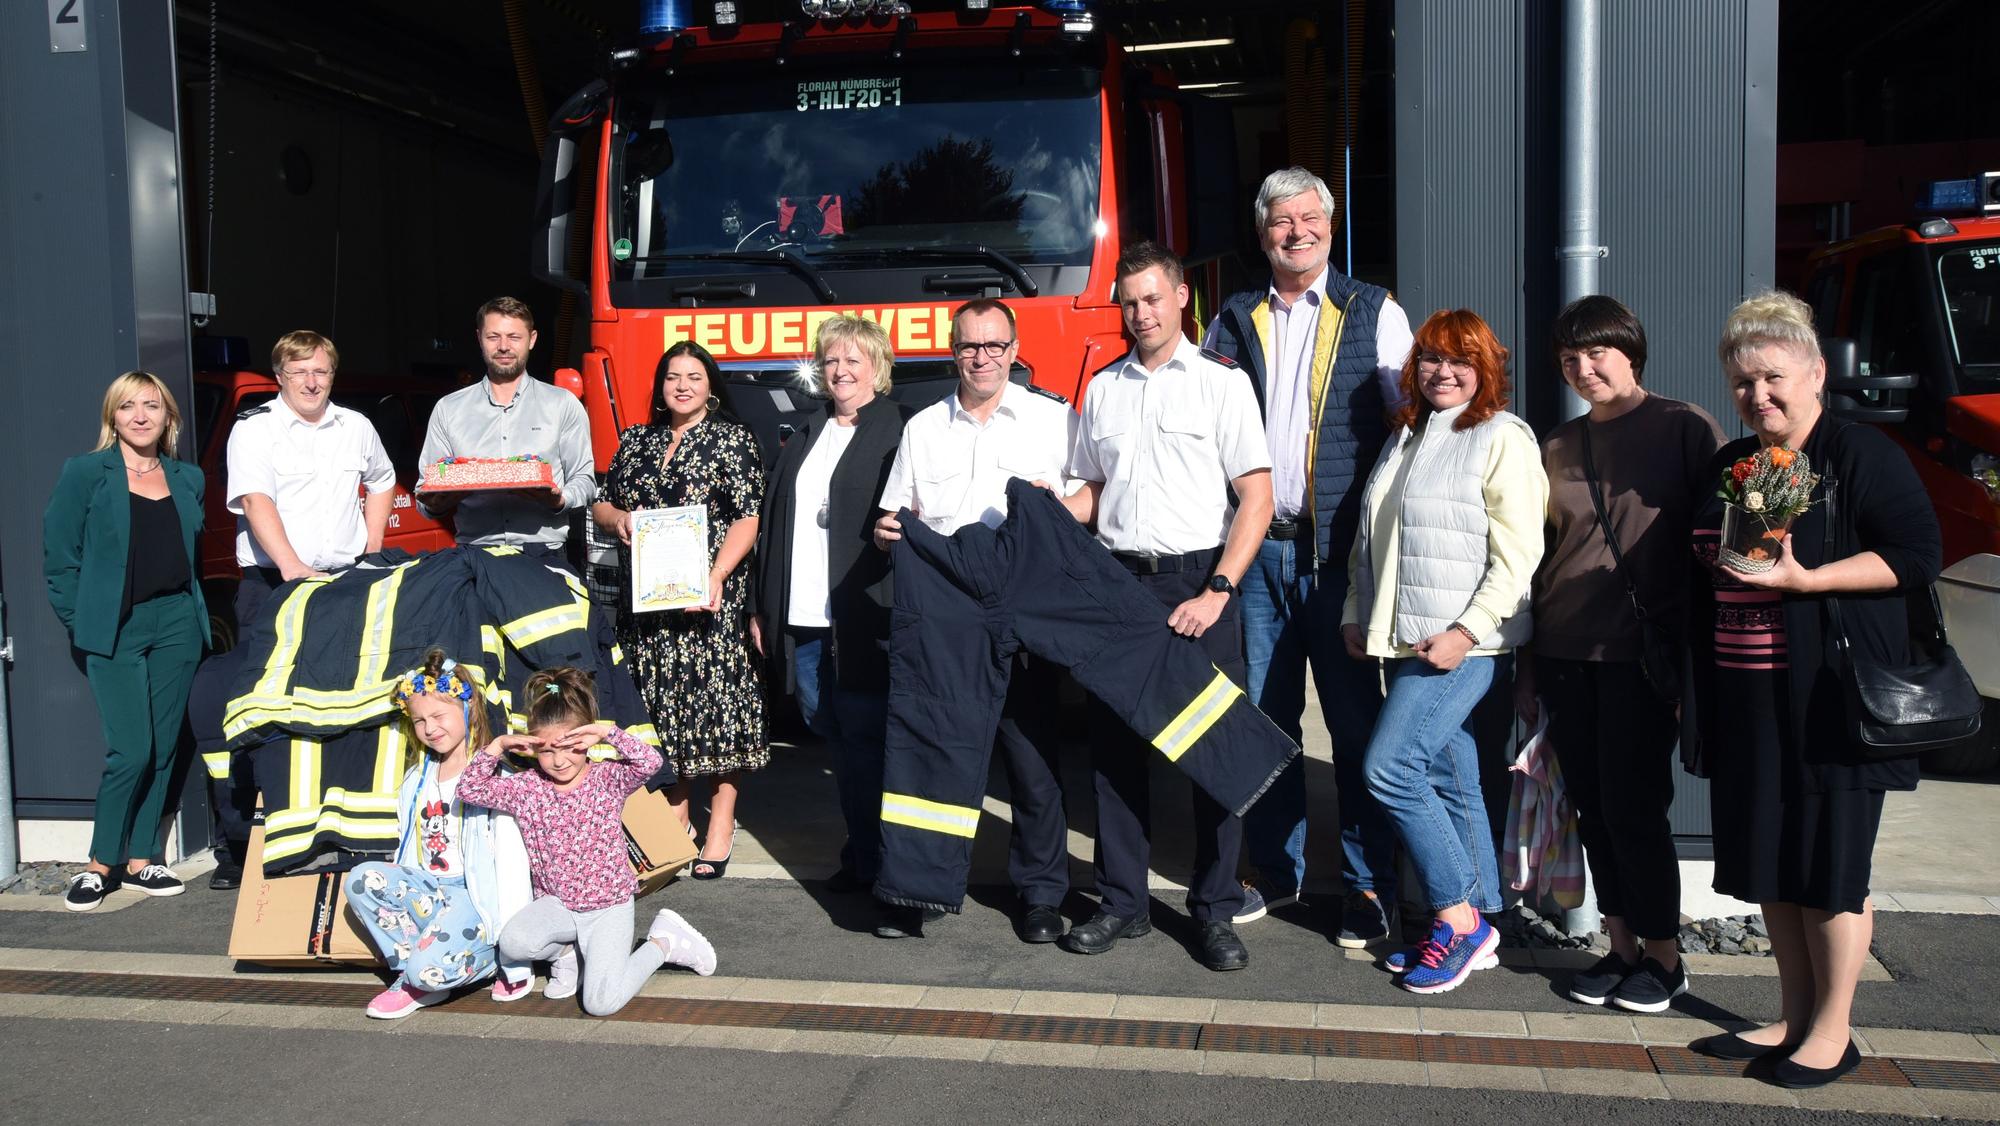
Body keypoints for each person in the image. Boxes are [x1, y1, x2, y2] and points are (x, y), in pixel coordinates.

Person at [1686, 291, 1940, 1089]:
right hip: (1747, 699)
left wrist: (1810, 579)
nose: (1757, 395)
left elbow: (1916, 553)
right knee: (1772, 865)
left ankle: (1834, 1031)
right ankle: (1794, 1017)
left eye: (1771, 377)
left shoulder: (1858, 454)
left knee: (1831, 872)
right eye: (1741, 382)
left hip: (1831, 701)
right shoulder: (1736, 463)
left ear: (1817, 373)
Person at [1202, 167, 1413, 939]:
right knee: (1263, 721)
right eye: (1280, 222)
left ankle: (1367, 885)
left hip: (1340, 561)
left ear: (1330, 224)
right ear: (1263, 235)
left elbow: (1411, 426)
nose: (1296, 232)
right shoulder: (1229, 320)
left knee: (1358, 728)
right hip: (1257, 556)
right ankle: (1271, 870)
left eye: (1309, 218)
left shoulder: (1375, 312)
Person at [1056, 241, 1273, 971]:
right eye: (1129, 301)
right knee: (1116, 756)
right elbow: (1091, 492)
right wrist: (1043, 515)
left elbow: (1257, 497)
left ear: (1182, 298)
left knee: (1214, 755)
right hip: (1122, 590)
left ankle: (1214, 911)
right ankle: (1123, 904)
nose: (1141, 313)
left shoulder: (1221, 383)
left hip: (1197, 584)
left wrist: (1219, 590)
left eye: (1153, 298)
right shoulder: (1105, 388)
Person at [1516, 296, 1724, 1012]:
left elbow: (1717, 544)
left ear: (1631, 351)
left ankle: (1666, 959)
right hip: (1566, 646)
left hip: (1641, 653)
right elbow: (1538, 556)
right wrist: (1530, 667)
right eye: (1571, 357)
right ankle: (1622, 947)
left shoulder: (1684, 427)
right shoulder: (1557, 445)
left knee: (1637, 806)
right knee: (1594, 807)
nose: (1585, 367)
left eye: (1598, 351)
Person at [1342, 309, 1546, 995]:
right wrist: (1355, 612)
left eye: (1461, 359)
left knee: (1390, 768)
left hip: (1467, 646)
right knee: (1454, 780)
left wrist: (1467, 631)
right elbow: (1370, 538)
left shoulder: (1500, 437)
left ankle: (1457, 918)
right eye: (1430, 358)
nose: (1443, 371)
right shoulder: (1406, 435)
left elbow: (1519, 557)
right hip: (1404, 638)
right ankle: (1483, 915)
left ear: (1486, 367)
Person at [873, 298, 1077, 945]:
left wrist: (1059, 513)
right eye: (969, 346)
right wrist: (886, 533)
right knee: (932, 753)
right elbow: (893, 517)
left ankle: (1042, 894)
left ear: (1014, 350)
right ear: (952, 351)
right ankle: (919, 888)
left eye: (993, 345)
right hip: (944, 617)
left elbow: (1087, 502)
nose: (981, 356)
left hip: (1026, 608)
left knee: (1033, 760)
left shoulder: (1054, 420)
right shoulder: (924, 428)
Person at [206, 329, 397, 889]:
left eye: (321, 372)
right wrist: (291, 567)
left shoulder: (356, 427)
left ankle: (330, 831)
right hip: (272, 584)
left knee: (340, 708)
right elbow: (255, 500)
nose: (312, 382)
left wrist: (373, 549)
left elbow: (382, 480)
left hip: (342, 584)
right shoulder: (255, 430)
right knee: (256, 712)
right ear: (280, 377)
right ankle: (237, 847)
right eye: (300, 372)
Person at [751, 315, 914, 925]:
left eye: (853, 360)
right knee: (836, 736)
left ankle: (885, 867)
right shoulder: (809, 431)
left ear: (877, 366)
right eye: (830, 361)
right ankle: (864, 851)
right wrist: (763, 608)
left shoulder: (899, 430)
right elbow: (774, 525)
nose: (840, 371)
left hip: (865, 619)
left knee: (870, 745)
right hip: (806, 618)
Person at [593, 341, 766, 879]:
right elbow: (600, 500)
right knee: (659, 712)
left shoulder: (732, 441)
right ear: (660, 386)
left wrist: (714, 575)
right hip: (647, 609)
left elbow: (747, 518)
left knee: (717, 710)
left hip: (708, 602)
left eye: (694, 376)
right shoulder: (637, 440)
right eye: (673, 377)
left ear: (710, 384)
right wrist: (619, 519)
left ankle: (721, 821)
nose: (683, 385)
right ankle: (676, 812)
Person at [457, 666, 718, 1017]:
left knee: (600, 1003)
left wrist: (607, 733)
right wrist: (498, 746)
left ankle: (663, 943)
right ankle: (569, 954)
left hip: (608, 907)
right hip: (558, 906)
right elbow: (468, 789)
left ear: (585, 742)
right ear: (532, 747)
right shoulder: (527, 788)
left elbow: (651, 762)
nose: (559, 760)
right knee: (514, 942)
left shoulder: (607, 777)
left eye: (569, 747)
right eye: (547, 750)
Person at [43, 371, 212, 911]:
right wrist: (83, 620)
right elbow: (59, 559)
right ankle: (99, 864)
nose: (140, 416)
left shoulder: (187, 477)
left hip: (177, 622)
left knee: (164, 747)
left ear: (168, 418)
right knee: (131, 750)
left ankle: (142, 859)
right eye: (128, 407)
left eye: (152, 406)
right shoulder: (85, 473)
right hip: (116, 627)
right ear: (111, 417)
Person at [347, 649, 535, 1019]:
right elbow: (406, 855)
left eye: (438, 715)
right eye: (419, 721)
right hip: (431, 892)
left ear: (467, 708)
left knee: (427, 972)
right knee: (358, 881)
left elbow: (512, 873)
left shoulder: (497, 781)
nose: (429, 728)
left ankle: (476, 963)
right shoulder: (416, 779)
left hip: (476, 899)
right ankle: (412, 972)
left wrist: (518, 958)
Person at [417, 296, 595, 561]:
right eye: (493, 337)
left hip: (544, 553)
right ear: (479, 338)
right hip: (475, 554)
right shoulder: (448, 409)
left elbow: (585, 480)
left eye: (514, 337)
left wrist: (558, 500)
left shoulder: (561, 404)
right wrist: (437, 503)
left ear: (532, 339)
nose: (503, 347)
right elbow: (425, 492)